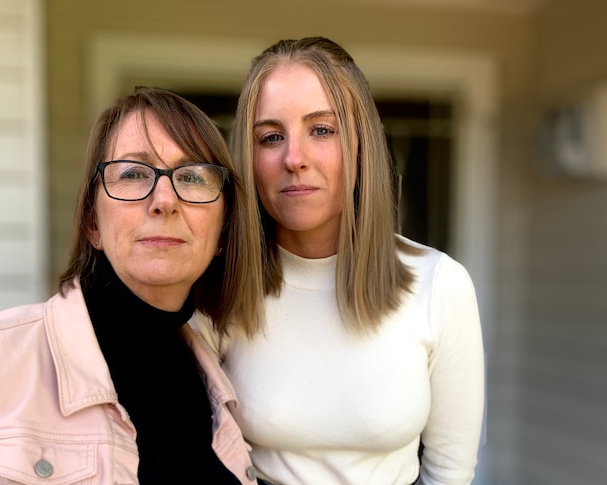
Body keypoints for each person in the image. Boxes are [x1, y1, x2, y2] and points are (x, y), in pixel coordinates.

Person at [0, 86, 265, 484]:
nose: (164, 199)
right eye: (134, 173)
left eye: (192, 177)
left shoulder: (228, 392)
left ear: (223, 230)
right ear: (92, 223)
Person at [193, 37, 485, 485]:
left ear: (360, 143)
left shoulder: (440, 285)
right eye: (271, 137)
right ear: (249, 159)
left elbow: (450, 470)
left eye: (321, 130)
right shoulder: (219, 289)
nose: (294, 159)